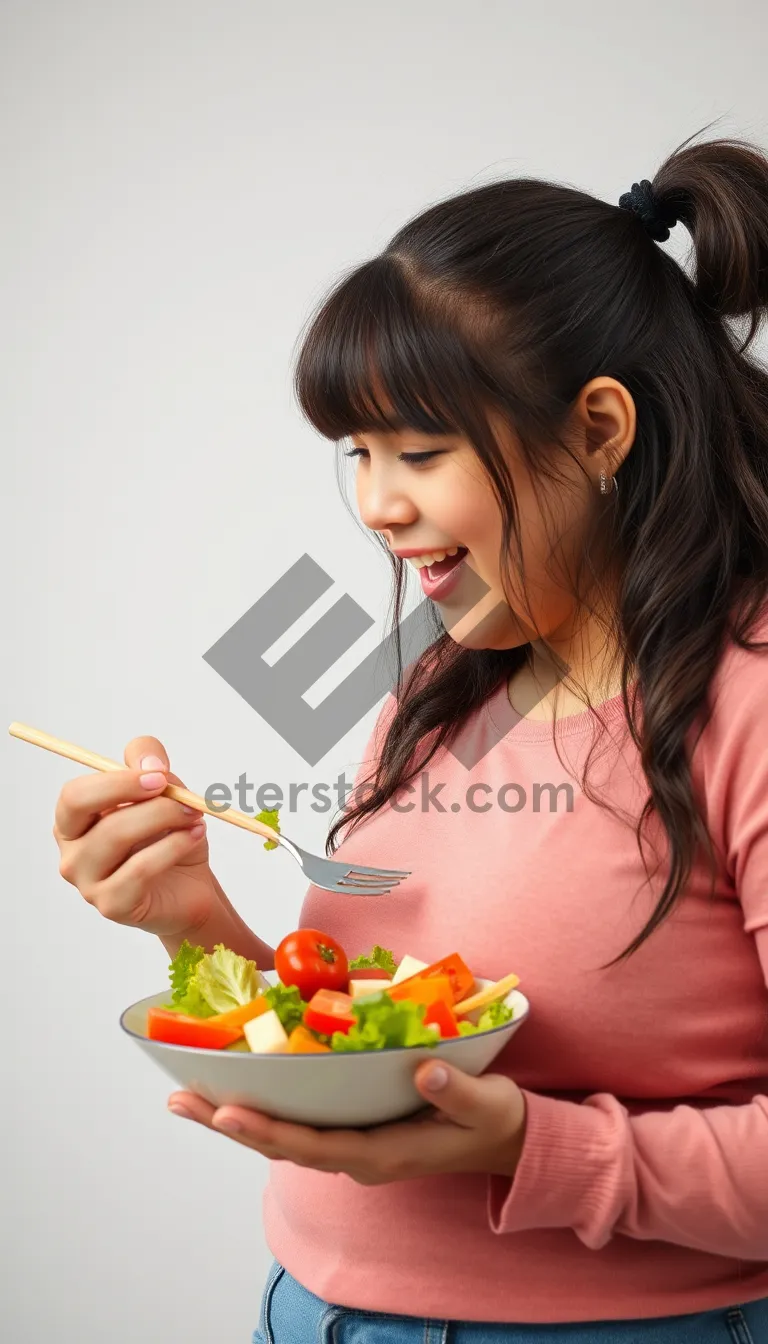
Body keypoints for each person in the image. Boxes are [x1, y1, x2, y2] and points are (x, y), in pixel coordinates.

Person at [53, 126, 768, 1342]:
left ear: (599, 430)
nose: (379, 507)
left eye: (421, 453)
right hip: (314, 1312)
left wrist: (535, 1150)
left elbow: (478, 1112)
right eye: (360, 454)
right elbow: (379, 1025)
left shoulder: (746, 701)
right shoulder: (452, 675)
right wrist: (191, 920)